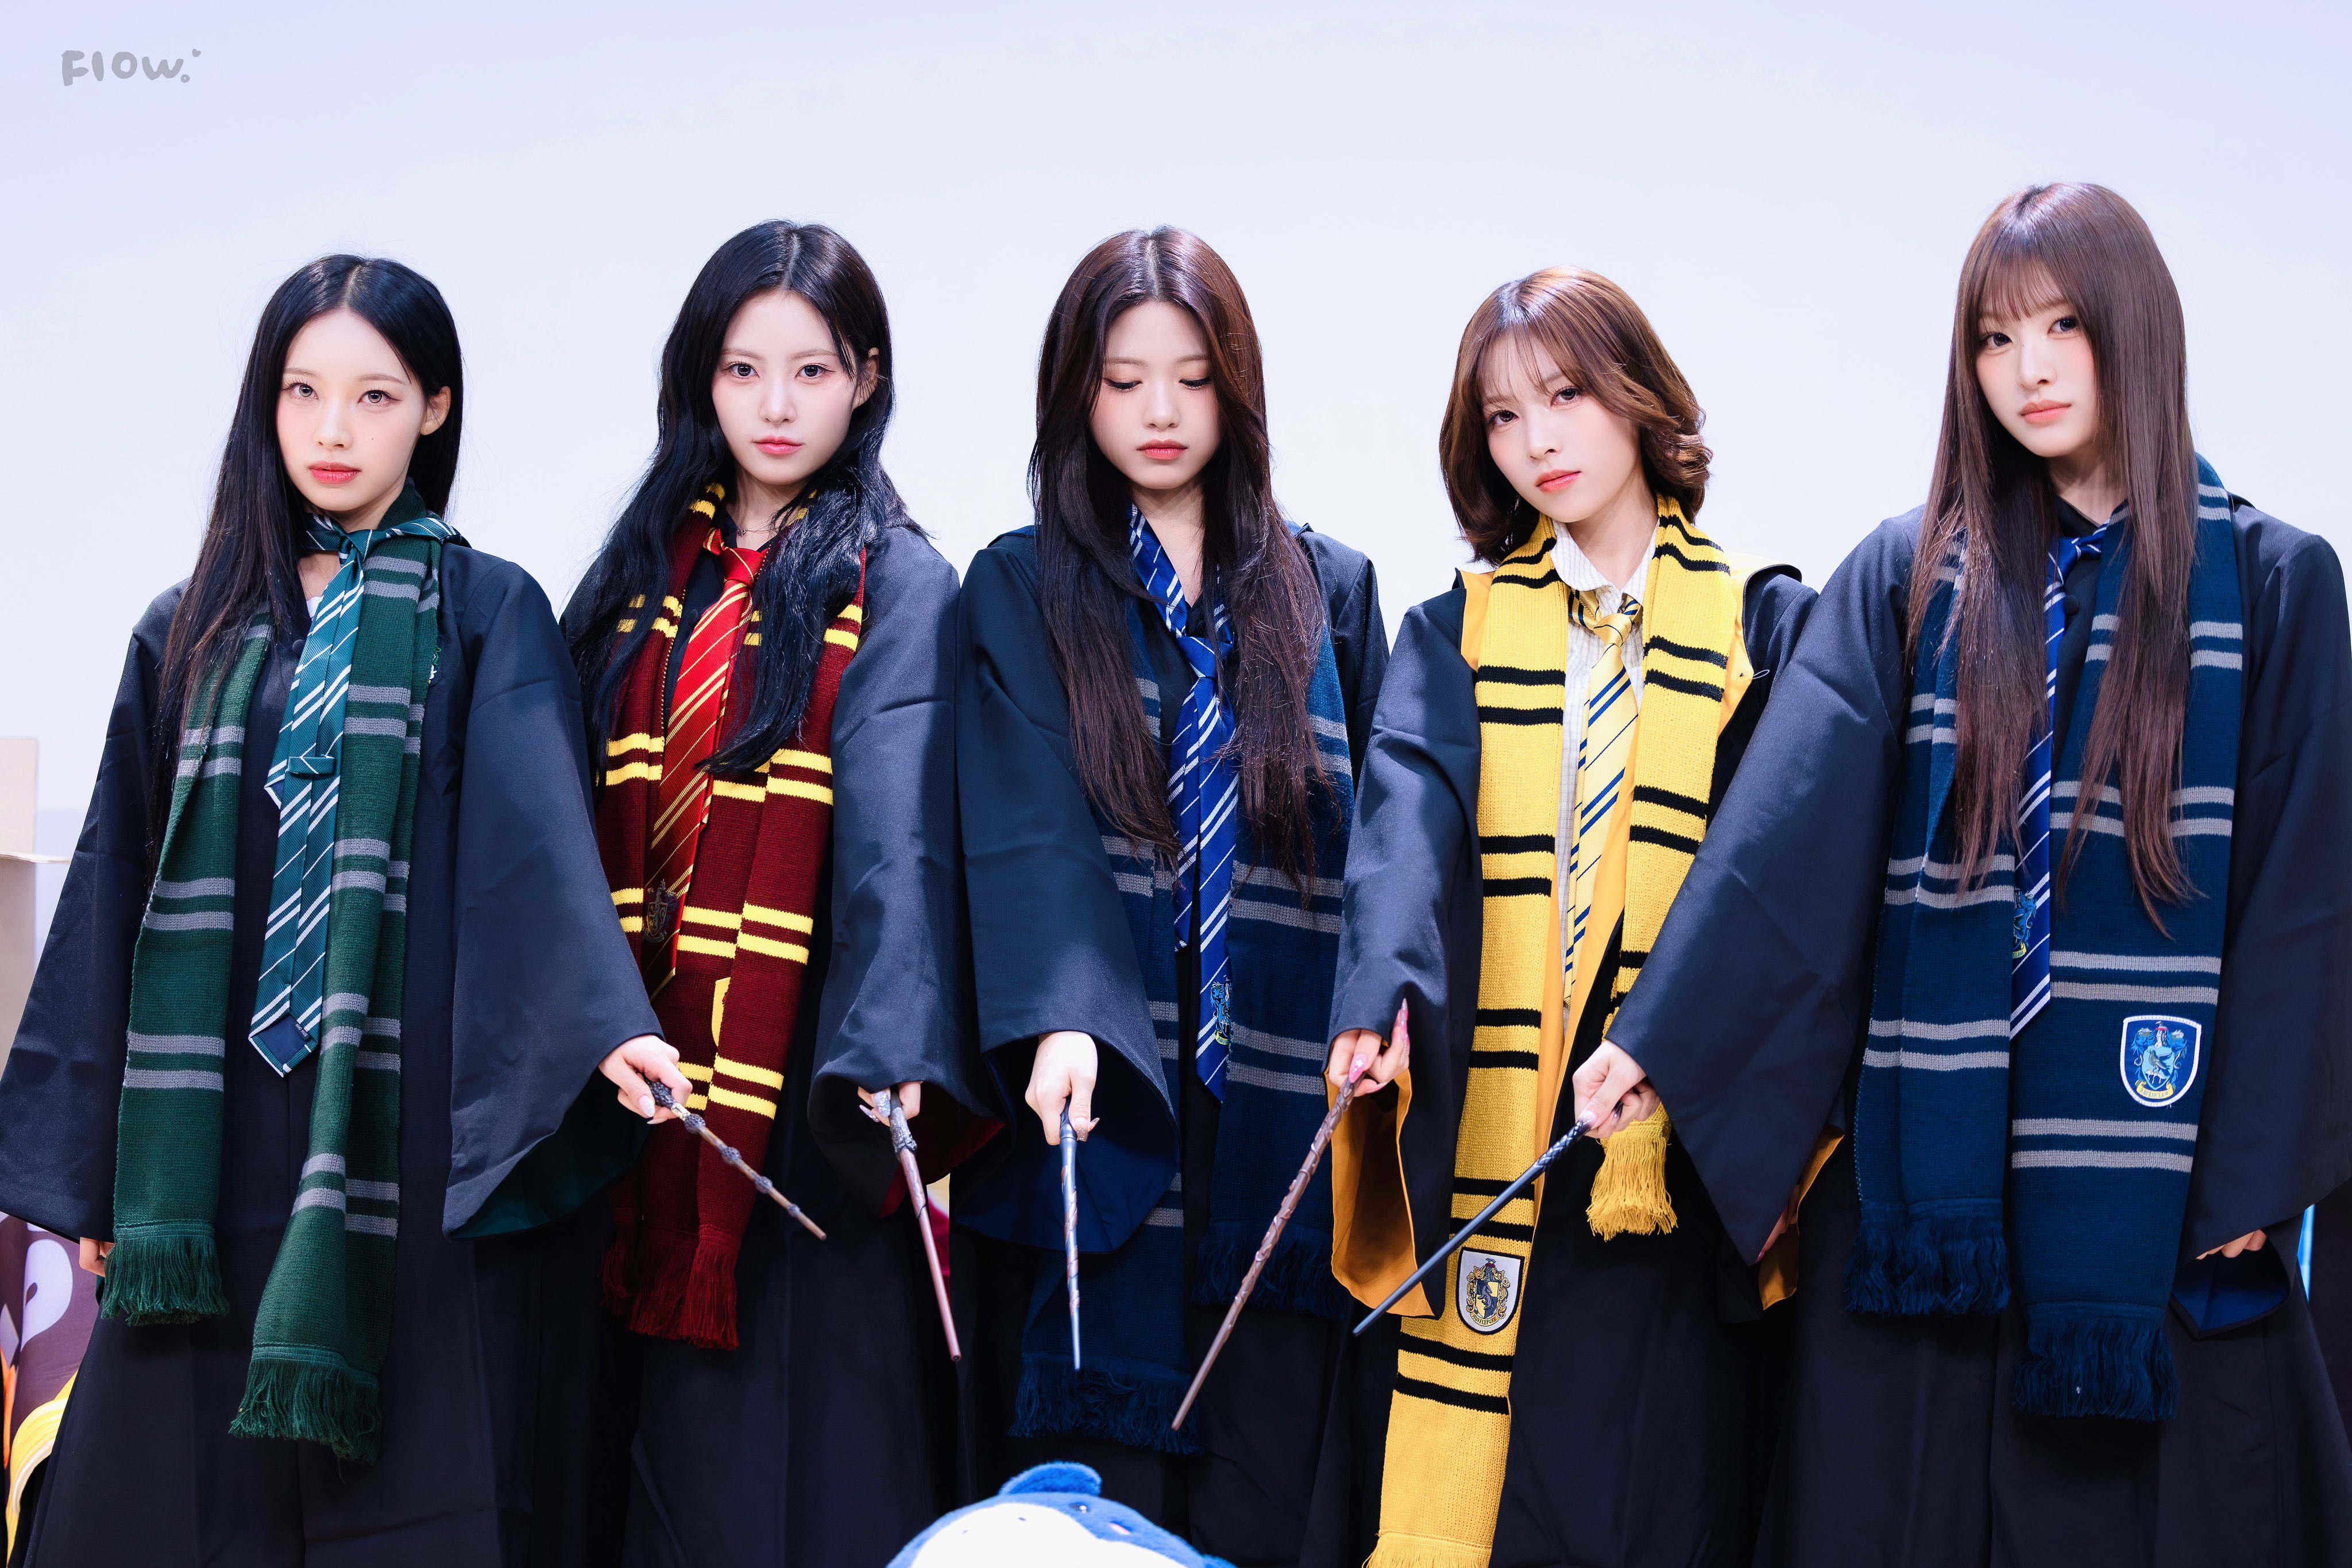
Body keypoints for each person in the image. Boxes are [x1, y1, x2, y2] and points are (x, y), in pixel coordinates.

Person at [1581, 182, 2352, 1565]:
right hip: (1935, 1189)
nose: (2026, 369)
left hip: (2156, 1181)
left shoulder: (2276, 584)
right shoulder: (1908, 574)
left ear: (2136, 331)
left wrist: (2251, 1178)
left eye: (2061, 326)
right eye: (1993, 339)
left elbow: (2304, 902)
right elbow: (1788, 841)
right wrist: (1663, 1040)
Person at [0, 254, 669, 1567]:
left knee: (410, 1481)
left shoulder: (485, 613)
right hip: (206, 1142)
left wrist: (606, 1026)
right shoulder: (190, 626)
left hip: (395, 1133)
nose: (332, 429)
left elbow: (536, 851)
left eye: (373, 396)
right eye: (303, 392)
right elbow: (113, 883)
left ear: (434, 408)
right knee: (163, 1496)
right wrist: (87, 1168)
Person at [1305, 268, 1814, 1567]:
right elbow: (1403, 830)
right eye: (1501, 415)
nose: (1535, 440)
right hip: (1499, 1119)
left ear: (1638, 398)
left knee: (1651, 1501)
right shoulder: (1456, 633)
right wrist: (1377, 1002)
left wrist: (1683, 1053)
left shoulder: (1762, 631)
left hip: (1661, 1143)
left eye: (1566, 396)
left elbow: (1782, 887)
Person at [951, 226, 1387, 1565]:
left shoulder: (1328, 589)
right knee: (1089, 1495)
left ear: (1234, 391)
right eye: (1122, 379)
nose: (1158, 411)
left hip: (1277, 1098)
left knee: (1271, 1477)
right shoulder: (1021, 583)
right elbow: (1019, 822)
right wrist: (1061, 1014)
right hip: (1099, 1085)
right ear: (1074, 393)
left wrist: (1375, 1013)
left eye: (1191, 380)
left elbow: (1377, 846)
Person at [561, 219, 986, 1567]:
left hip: (797, 1079)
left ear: (865, 378)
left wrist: (889, 1039)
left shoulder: (898, 581)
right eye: (743, 370)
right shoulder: (636, 577)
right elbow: (557, 814)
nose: (776, 405)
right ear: (702, 379)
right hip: (627, 1074)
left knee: (788, 1480)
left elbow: (900, 833)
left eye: (810, 371)